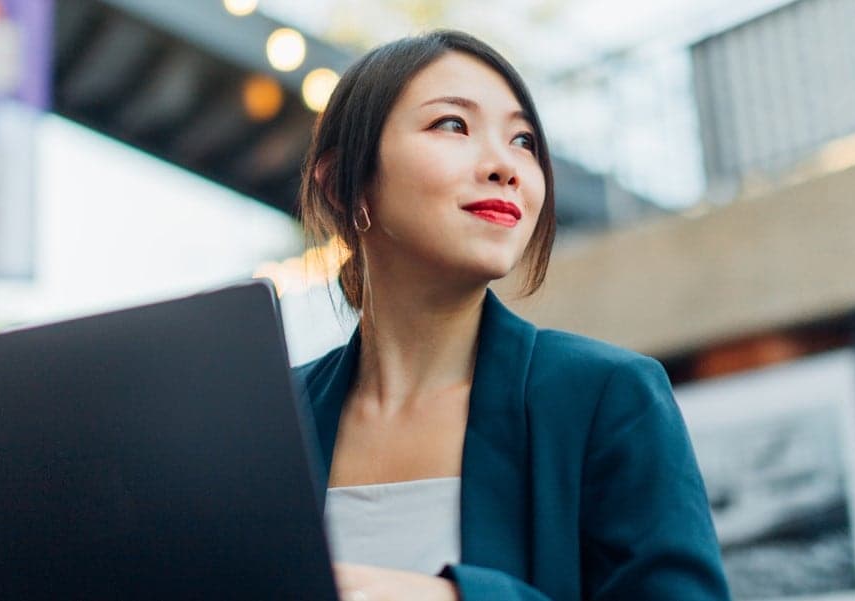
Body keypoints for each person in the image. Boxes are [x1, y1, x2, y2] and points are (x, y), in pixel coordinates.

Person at [293, 29, 730, 601]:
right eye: (452, 124)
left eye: (523, 139)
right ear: (342, 184)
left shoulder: (607, 396)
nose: (506, 165)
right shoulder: (278, 419)